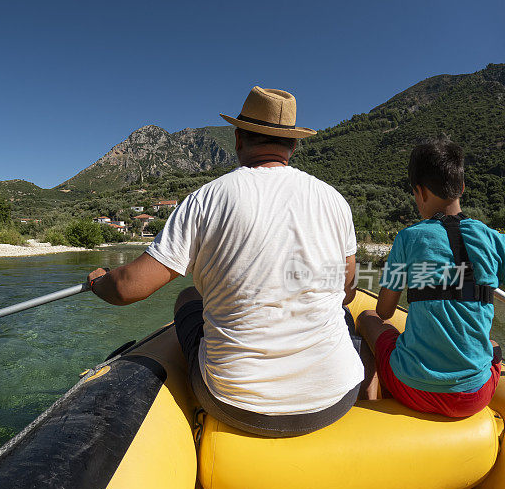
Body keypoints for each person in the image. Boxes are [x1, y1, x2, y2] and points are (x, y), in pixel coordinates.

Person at [87, 86, 363, 437]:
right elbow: (348, 290)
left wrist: (99, 281)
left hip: (236, 403)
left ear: (237, 139)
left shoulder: (208, 197)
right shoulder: (334, 200)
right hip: (336, 397)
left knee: (189, 297)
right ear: (292, 145)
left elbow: (127, 288)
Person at [357, 139, 504, 417]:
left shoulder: (408, 238)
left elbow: (385, 311)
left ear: (419, 192)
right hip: (475, 396)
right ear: (461, 187)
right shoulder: (493, 238)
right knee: (493, 345)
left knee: (367, 317)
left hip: (412, 389)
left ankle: (369, 400)